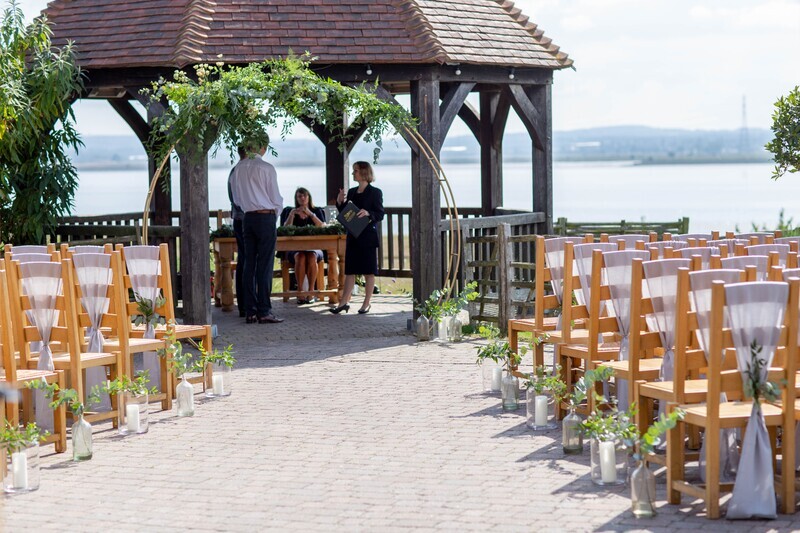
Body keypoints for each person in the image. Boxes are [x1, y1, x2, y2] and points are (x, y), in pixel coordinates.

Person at [229, 140, 285, 324]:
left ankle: (250, 311)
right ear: (263, 147)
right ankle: (264, 310)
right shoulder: (266, 168)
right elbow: (275, 198)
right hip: (265, 217)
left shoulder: (238, 169)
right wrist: (274, 213)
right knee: (265, 265)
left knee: (248, 264)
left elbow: (236, 198)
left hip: (247, 218)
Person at [331, 161, 384, 315]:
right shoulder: (353, 192)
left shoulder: (375, 192)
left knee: (368, 271)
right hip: (353, 236)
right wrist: (340, 200)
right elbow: (345, 212)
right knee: (350, 271)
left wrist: (368, 213)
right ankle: (343, 303)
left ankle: (366, 303)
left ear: (364, 172)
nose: (353, 173)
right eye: (353, 170)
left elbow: (380, 214)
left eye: (355, 171)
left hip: (367, 236)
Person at [280, 187, 326, 305]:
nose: (302, 198)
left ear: (309, 197)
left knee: (311, 256)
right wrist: (292, 215)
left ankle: (311, 291)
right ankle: (300, 292)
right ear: (296, 199)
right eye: (299, 196)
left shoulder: (317, 211)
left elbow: (322, 226)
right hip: (294, 248)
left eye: (304, 195)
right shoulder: (289, 211)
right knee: (300, 256)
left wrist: (310, 214)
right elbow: (284, 229)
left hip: (314, 248)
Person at [227, 147, 248, 317]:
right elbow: (238, 200)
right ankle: (245, 303)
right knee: (246, 260)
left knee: (245, 260)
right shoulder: (239, 172)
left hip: (240, 218)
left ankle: (245, 303)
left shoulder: (235, 171)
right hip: (243, 219)